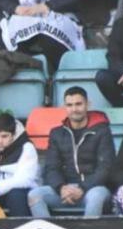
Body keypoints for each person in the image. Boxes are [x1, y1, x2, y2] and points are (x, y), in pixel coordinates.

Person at [28, 86, 113, 218]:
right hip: (64, 190)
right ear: (65, 107)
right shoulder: (57, 133)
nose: (74, 109)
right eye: (69, 105)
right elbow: (51, 167)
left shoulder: (102, 131)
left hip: (93, 188)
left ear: (87, 104)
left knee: (96, 197)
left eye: (78, 104)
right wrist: (61, 188)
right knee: (35, 195)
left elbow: (105, 168)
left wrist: (82, 188)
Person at [0, 112, 39, 216]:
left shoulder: (27, 147)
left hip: (22, 191)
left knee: (16, 195)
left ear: (13, 135)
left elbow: (24, 179)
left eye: (4, 136)